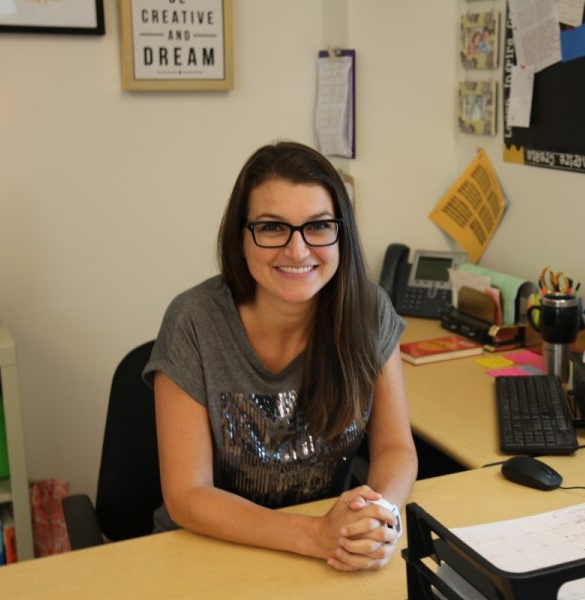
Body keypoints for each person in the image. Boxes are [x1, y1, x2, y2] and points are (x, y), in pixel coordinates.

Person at [143, 140, 417, 572]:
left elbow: (396, 448)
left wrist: (379, 520)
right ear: (241, 237)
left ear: (341, 233)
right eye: (272, 228)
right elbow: (186, 496)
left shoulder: (368, 312)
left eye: (318, 226)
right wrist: (314, 536)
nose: (297, 250)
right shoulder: (193, 320)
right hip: (208, 554)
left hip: (328, 558)